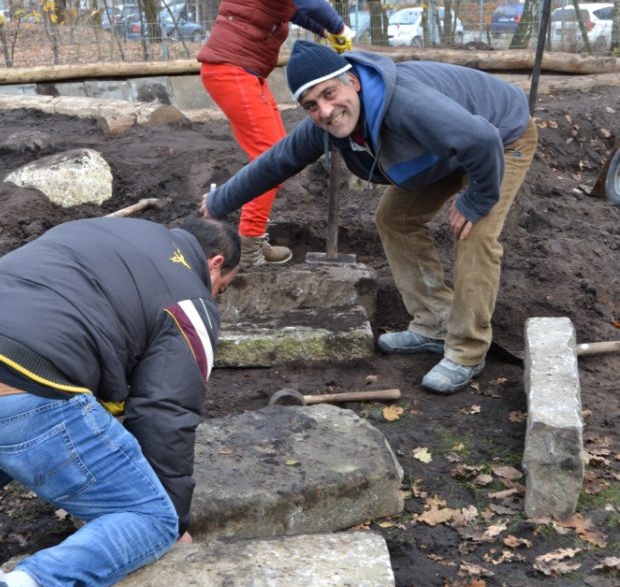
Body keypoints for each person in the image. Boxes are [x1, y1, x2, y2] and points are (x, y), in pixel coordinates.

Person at [0, 215, 240, 587]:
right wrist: (174, 517)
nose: (217, 296)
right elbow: (165, 412)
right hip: (21, 388)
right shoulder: (192, 295)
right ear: (216, 264)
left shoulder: (106, 234)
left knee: (4, 434)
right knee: (149, 515)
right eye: (222, 287)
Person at [200, 39, 537, 394]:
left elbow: (481, 141)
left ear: (353, 82)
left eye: (330, 94)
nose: (326, 111)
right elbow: (276, 161)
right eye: (312, 105)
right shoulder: (326, 125)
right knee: (395, 219)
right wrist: (218, 202)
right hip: (446, 147)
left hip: (501, 136)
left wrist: (476, 200)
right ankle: (434, 323)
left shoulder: (405, 103)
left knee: (475, 233)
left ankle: (467, 351)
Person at [197, 0, 353, 270]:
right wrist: (340, 28)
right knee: (271, 157)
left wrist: (323, 31)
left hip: (243, 69)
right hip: (230, 69)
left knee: (273, 152)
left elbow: (292, 10)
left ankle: (253, 237)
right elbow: (310, 0)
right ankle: (248, 247)